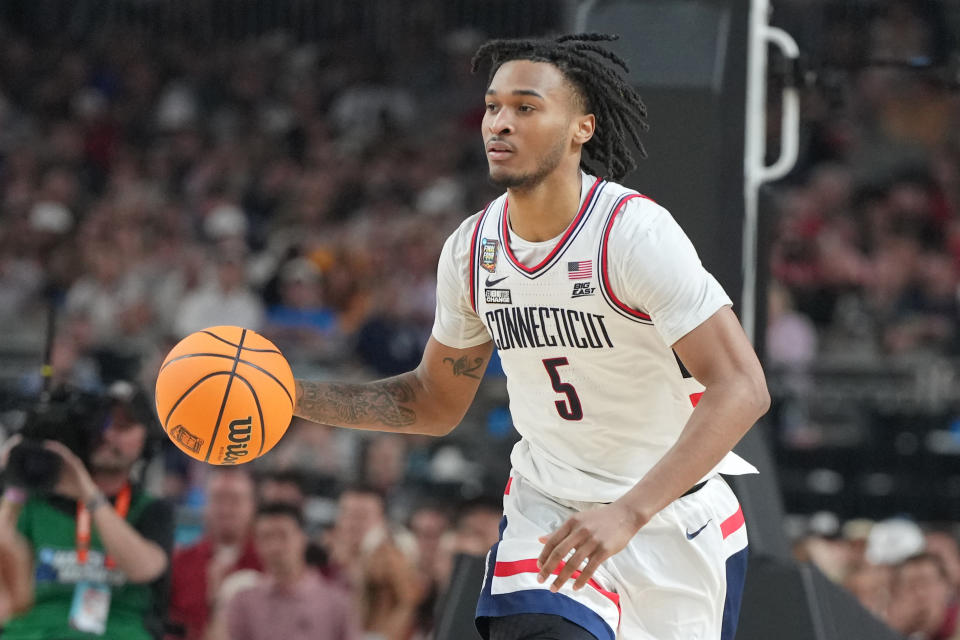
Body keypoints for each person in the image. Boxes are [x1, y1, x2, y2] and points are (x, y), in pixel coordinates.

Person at [290, 33, 769, 640]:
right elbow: (432, 402)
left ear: (582, 128)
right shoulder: (472, 250)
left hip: (670, 516)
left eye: (525, 107)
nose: (499, 124)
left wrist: (627, 511)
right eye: (492, 107)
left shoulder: (632, 234)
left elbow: (743, 387)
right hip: (547, 509)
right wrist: (291, 396)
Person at [0, 381, 174, 640]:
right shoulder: (34, 504)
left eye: (122, 427)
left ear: (146, 438)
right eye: (101, 425)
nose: (108, 436)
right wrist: (13, 481)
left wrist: (88, 492)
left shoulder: (151, 509)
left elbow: (144, 569)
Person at [221, 502, 360, 640]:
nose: (275, 547)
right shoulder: (244, 603)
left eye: (283, 536)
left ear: (302, 538)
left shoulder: (336, 603)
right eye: (266, 537)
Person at [168, 468, 261, 640]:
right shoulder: (180, 562)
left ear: (252, 506)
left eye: (235, 500)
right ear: (205, 505)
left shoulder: (267, 564)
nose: (225, 509)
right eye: (218, 499)